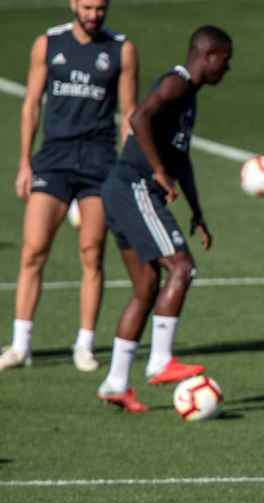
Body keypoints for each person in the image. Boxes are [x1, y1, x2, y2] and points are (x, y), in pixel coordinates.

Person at [95, 26, 233, 412]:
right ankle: (160, 359)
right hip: (134, 186)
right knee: (182, 267)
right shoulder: (177, 83)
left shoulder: (188, 97)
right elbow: (138, 118)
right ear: (209, 56)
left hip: (125, 191)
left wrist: (197, 211)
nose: (229, 67)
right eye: (226, 58)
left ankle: (115, 383)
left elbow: (182, 160)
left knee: (145, 287)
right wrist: (157, 170)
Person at [1, 0, 137, 372]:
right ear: (74, 4)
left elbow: (128, 114)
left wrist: (128, 168)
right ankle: (20, 345)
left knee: (92, 252)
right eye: (88, 6)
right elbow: (31, 105)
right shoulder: (47, 44)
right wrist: (25, 162)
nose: (94, 14)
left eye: (101, 8)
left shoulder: (121, 50)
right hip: (54, 160)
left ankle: (85, 344)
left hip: (99, 163)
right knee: (33, 250)